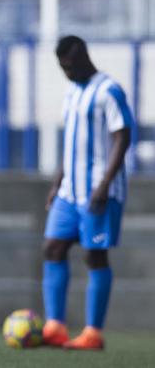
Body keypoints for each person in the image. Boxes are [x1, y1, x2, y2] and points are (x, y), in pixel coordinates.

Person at [41, 35, 133, 351]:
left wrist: (105, 184)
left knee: (94, 254)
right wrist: (57, 183)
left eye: (67, 66)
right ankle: (55, 326)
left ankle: (93, 332)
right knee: (53, 247)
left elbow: (122, 137)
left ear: (81, 59)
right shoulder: (72, 93)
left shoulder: (109, 90)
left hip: (98, 192)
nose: (65, 72)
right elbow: (72, 143)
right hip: (69, 191)